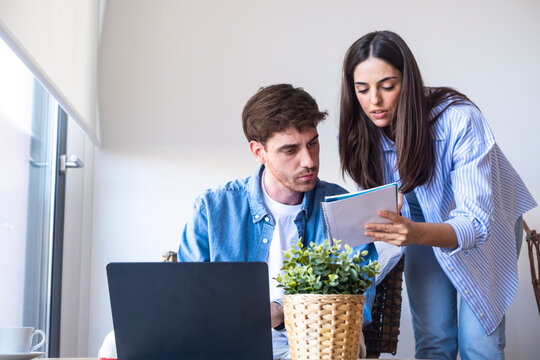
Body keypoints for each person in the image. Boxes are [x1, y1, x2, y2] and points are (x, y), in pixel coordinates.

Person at [338, 31, 537, 360]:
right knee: (434, 341)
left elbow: (476, 223)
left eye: (387, 86)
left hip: (486, 224)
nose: (374, 101)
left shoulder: (458, 120)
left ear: (408, 80)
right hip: (418, 229)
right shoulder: (360, 135)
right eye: (362, 89)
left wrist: (413, 231)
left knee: (479, 343)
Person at [178, 83, 377, 360]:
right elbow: (188, 296)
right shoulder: (213, 208)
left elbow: (358, 301)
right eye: (290, 150)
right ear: (258, 151)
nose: (308, 160)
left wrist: (282, 311)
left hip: (316, 340)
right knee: (115, 346)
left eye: (313, 143)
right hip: (229, 340)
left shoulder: (341, 206)